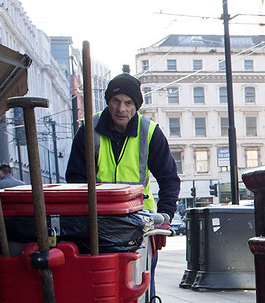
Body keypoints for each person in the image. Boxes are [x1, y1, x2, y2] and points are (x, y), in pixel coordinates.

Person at [66, 73, 180, 222]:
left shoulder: (150, 132)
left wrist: (165, 215)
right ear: (108, 102)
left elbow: (169, 179)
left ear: (136, 106)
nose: (121, 109)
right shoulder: (89, 130)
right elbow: (76, 179)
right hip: (99, 217)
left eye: (128, 103)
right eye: (116, 101)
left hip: (141, 217)